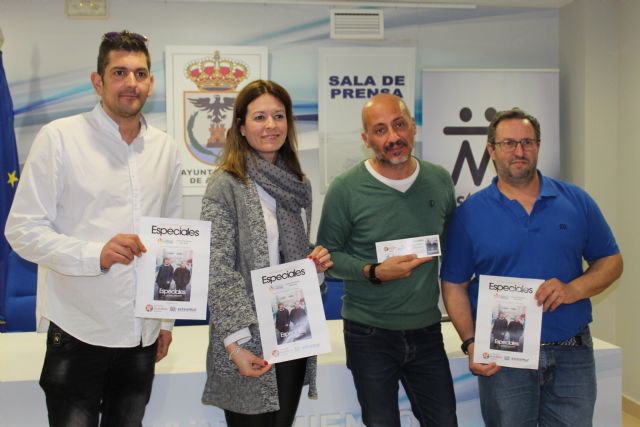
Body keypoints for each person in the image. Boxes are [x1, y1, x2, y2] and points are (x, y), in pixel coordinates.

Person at [4, 30, 182, 426]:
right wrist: (94, 254)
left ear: (151, 82)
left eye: (140, 73)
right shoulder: (59, 139)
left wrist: (165, 320)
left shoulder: (166, 149)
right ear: (97, 81)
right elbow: (22, 230)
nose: (131, 82)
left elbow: (171, 239)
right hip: (78, 330)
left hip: (141, 335)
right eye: (119, 72)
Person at [440, 107, 623, 427]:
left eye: (528, 142)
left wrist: (573, 289)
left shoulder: (576, 201)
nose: (519, 151)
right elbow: (454, 283)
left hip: (572, 353)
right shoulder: (471, 213)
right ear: (491, 149)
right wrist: (470, 343)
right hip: (504, 357)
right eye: (509, 143)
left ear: (538, 146)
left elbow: (611, 261)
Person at [316, 93, 458, 427]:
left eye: (399, 124)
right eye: (380, 130)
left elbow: (453, 247)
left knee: (444, 422)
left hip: (427, 329)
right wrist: (373, 271)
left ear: (413, 126)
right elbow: (328, 256)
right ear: (366, 140)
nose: (393, 137)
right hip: (369, 333)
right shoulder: (346, 188)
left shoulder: (439, 180)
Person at [200, 79, 332, 427]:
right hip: (246, 338)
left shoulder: (298, 185)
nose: (271, 125)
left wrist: (315, 267)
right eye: (259, 117)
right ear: (241, 127)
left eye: (278, 116)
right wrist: (236, 346)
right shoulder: (226, 184)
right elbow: (217, 268)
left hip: (292, 332)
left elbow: (292, 258)